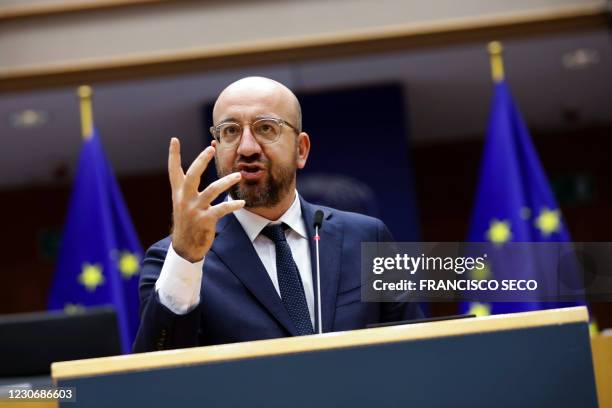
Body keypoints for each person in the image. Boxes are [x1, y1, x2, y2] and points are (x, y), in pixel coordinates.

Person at [133, 76, 421, 352]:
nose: (246, 147)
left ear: (301, 149)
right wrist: (186, 258)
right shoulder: (173, 259)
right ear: (216, 150)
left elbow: (416, 348)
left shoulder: (367, 237)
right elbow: (155, 377)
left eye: (266, 128)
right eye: (231, 131)